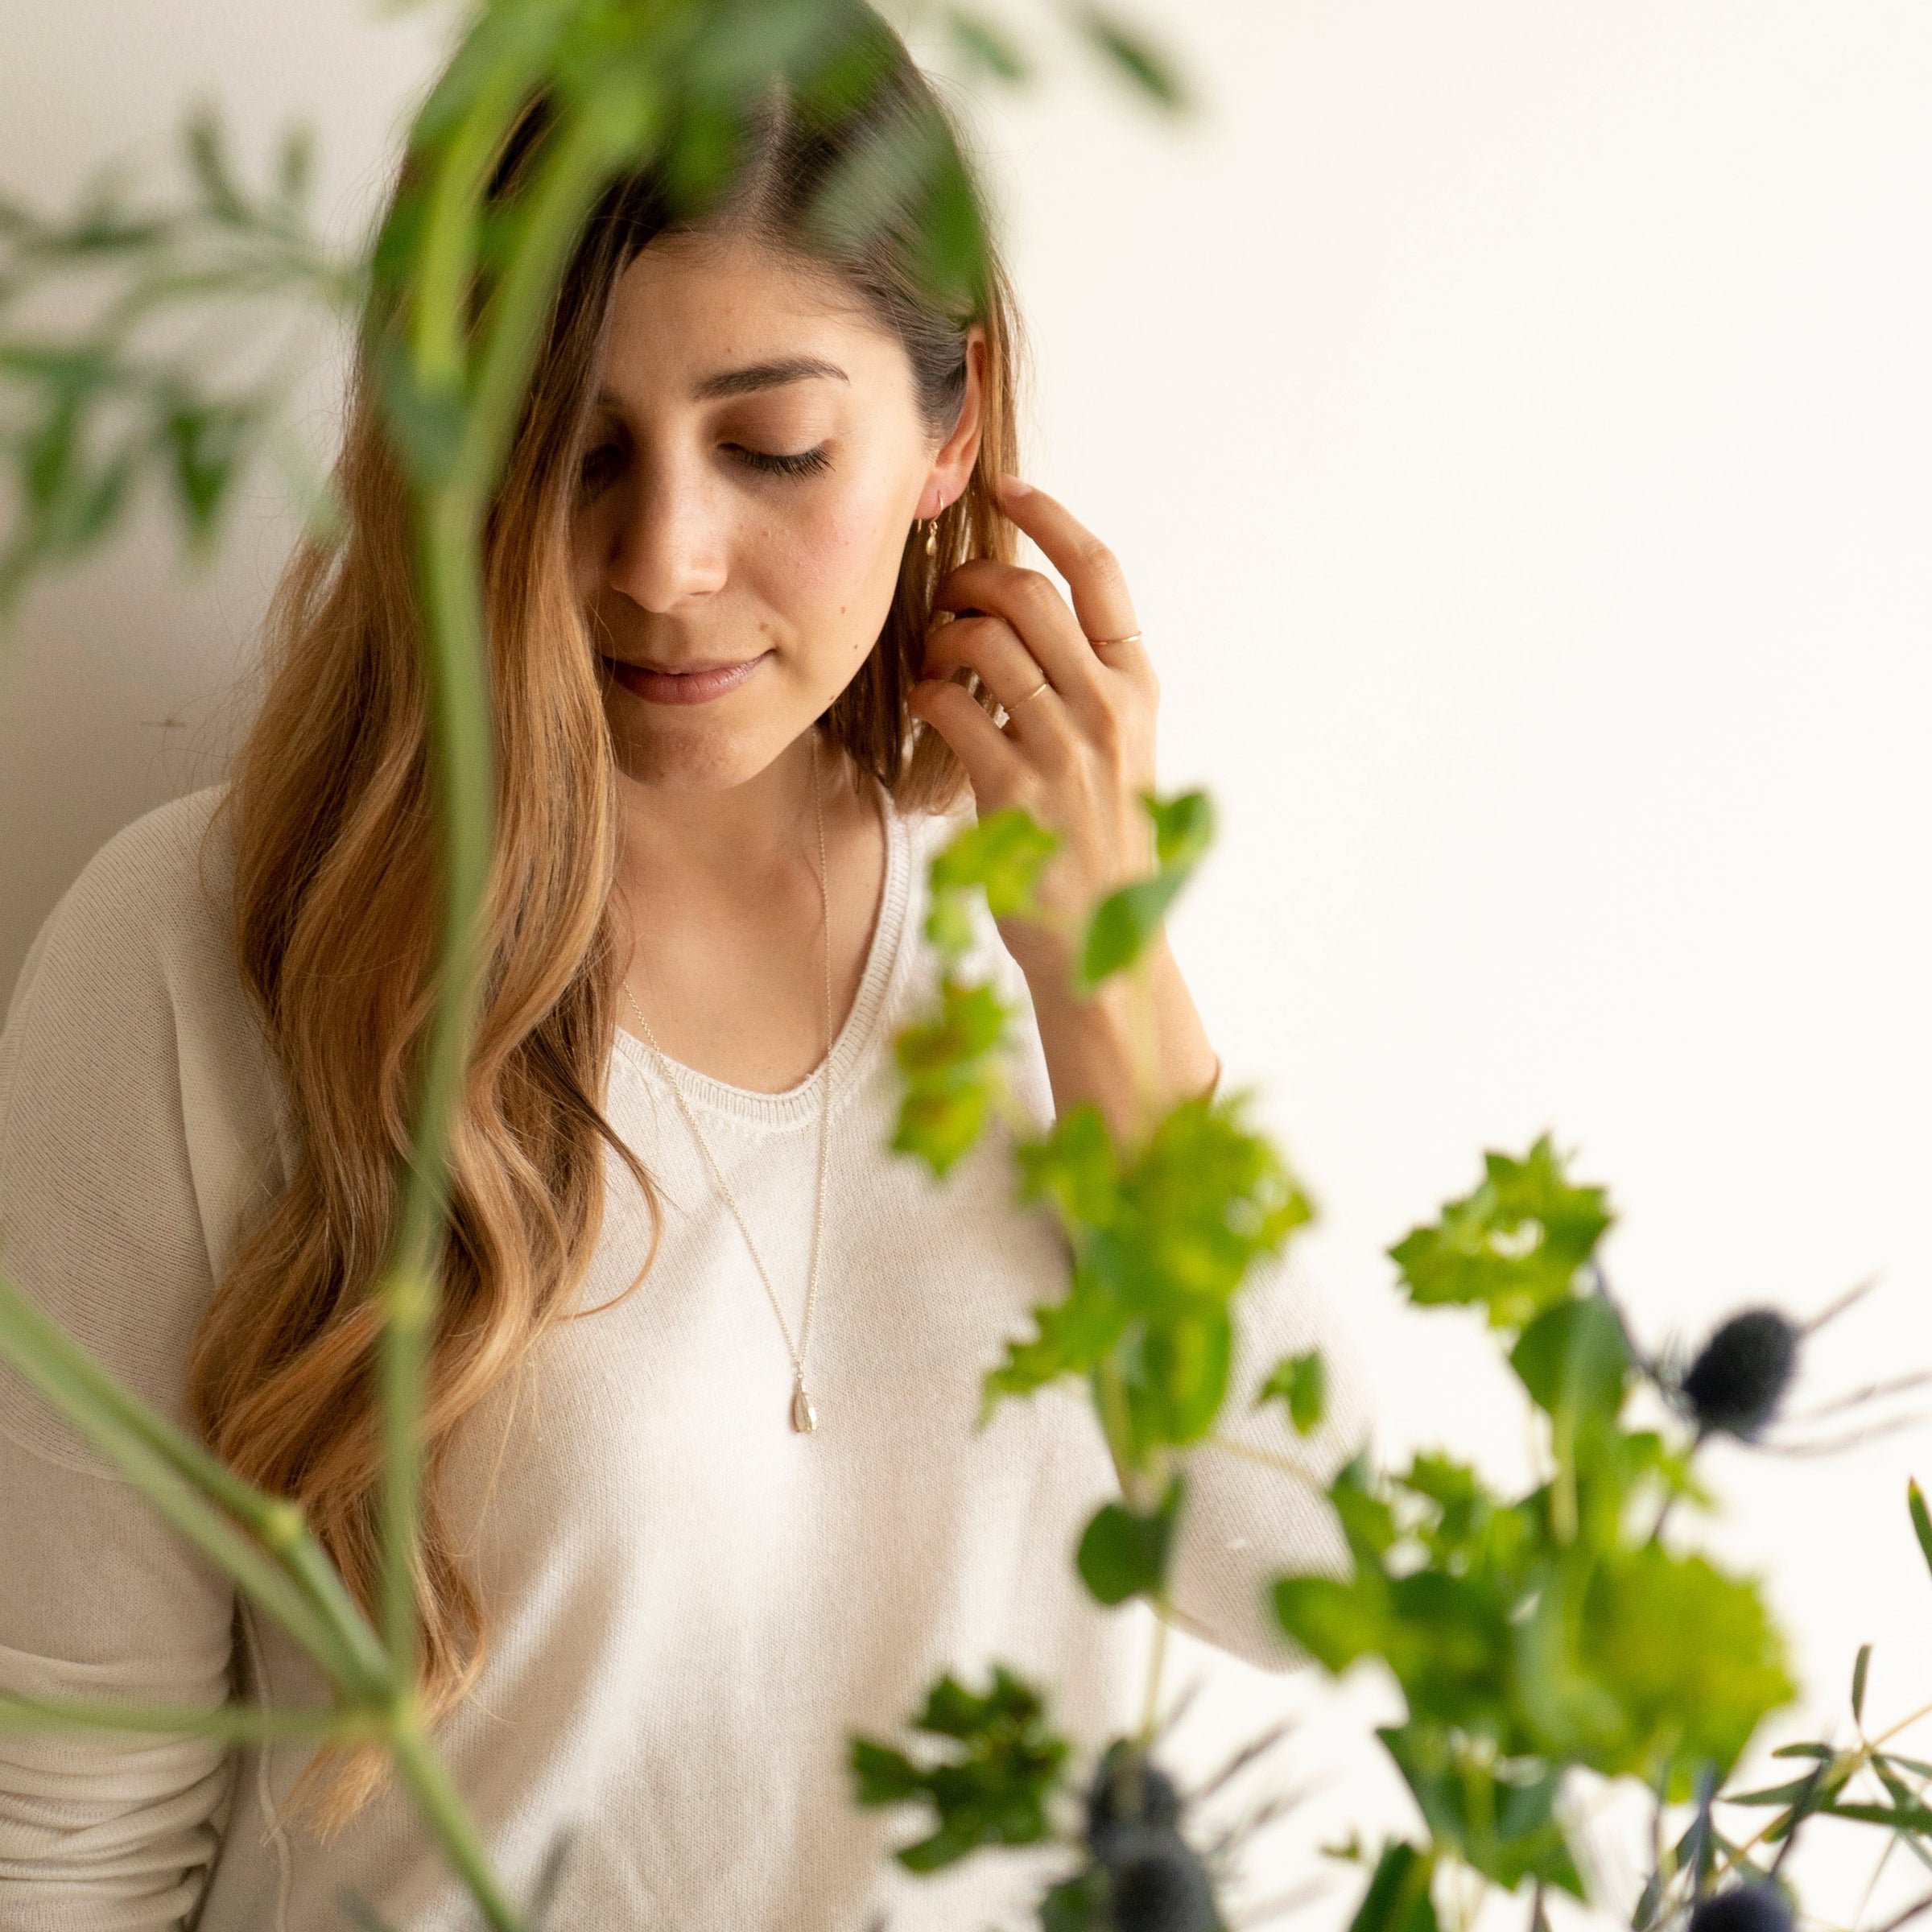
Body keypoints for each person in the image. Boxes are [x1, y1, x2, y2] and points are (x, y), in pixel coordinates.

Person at [0, 20, 1368, 1931]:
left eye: (773, 446)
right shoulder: (206, 951)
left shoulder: (1035, 931)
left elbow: (1316, 1574)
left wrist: (1101, 974)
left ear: (948, 424)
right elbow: (69, 1838)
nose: (661, 561)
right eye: (570, 452)